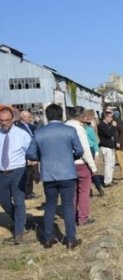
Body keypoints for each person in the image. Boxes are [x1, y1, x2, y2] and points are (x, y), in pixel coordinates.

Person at [26, 104, 83, 249]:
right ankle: (70, 239)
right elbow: (79, 151)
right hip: (67, 173)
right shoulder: (70, 130)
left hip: (49, 174)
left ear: (47, 115)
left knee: (50, 205)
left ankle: (48, 239)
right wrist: (70, 157)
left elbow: (30, 154)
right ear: (61, 114)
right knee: (68, 206)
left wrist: (43, 156)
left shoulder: (39, 132)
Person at [0, 106, 33, 245]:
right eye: (1, 120)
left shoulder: (22, 134)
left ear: (13, 119)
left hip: (18, 171)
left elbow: (32, 152)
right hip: (2, 173)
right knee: (4, 201)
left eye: (6, 120)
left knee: (19, 201)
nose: (4, 123)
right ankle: (21, 221)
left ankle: (18, 233)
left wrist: (35, 168)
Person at [65, 106, 97, 226]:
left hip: (68, 164)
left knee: (72, 192)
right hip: (81, 163)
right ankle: (83, 217)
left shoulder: (65, 126)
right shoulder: (79, 128)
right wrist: (92, 166)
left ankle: (72, 216)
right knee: (84, 192)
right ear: (81, 116)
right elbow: (85, 149)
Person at [14, 109, 39, 199]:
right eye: (28, 117)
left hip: (31, 152)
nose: (31, 118)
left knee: (31, 173)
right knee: (27, 174)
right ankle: (26, 193)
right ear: (23, 118)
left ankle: (29, 192)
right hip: (24, 154)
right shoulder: (19, 128)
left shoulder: (31, 126)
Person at [83, 109, 104, 197]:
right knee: (85, 172)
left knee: (92, 169)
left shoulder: (89, 129)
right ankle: (89, 190)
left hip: (90, 149)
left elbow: (96, 141)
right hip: (82, 150)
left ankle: (99, 188)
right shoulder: (80, 128)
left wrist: (96, 152)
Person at [97, 109, 117, 187]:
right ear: (105, 117)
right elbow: (109, 134)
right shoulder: (102, 125)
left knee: (111, 164)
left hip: (110, 147)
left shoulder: (107, 125)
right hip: (106, 147)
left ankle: (110, 180)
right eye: (110, 117)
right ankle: (107, 182)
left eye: (112, 117)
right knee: (108, 165)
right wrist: (113, 126)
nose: (111, 119)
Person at [113, 111, 123, 180]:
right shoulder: (120, 121)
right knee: (120, 159)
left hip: (118, 144)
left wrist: (118, 142)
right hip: (119, 143)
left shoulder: (116, 121)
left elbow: (122, 131)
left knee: (120, 159)